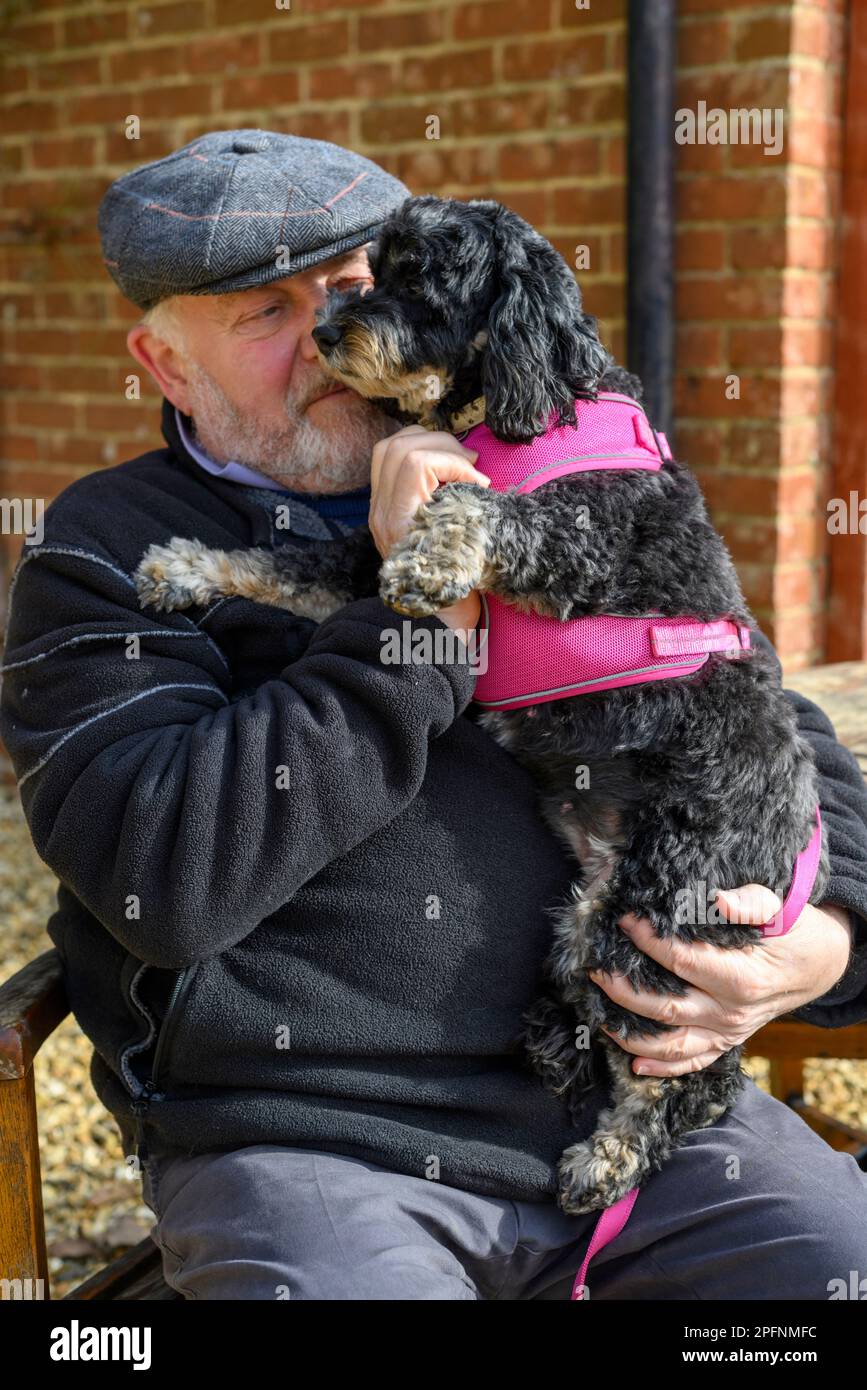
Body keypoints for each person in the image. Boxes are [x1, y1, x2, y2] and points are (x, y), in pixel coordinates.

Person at [2, 128, 867, 1301]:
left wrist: (828, 946)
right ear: (164, 363)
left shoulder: (556, 466)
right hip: (317, 1138)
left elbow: (752, 712)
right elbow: (168, 871)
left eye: (358, 286)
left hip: (631, 1112)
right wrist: (422, 609)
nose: (326, 332)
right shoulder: (108, 551)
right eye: (264, 311)